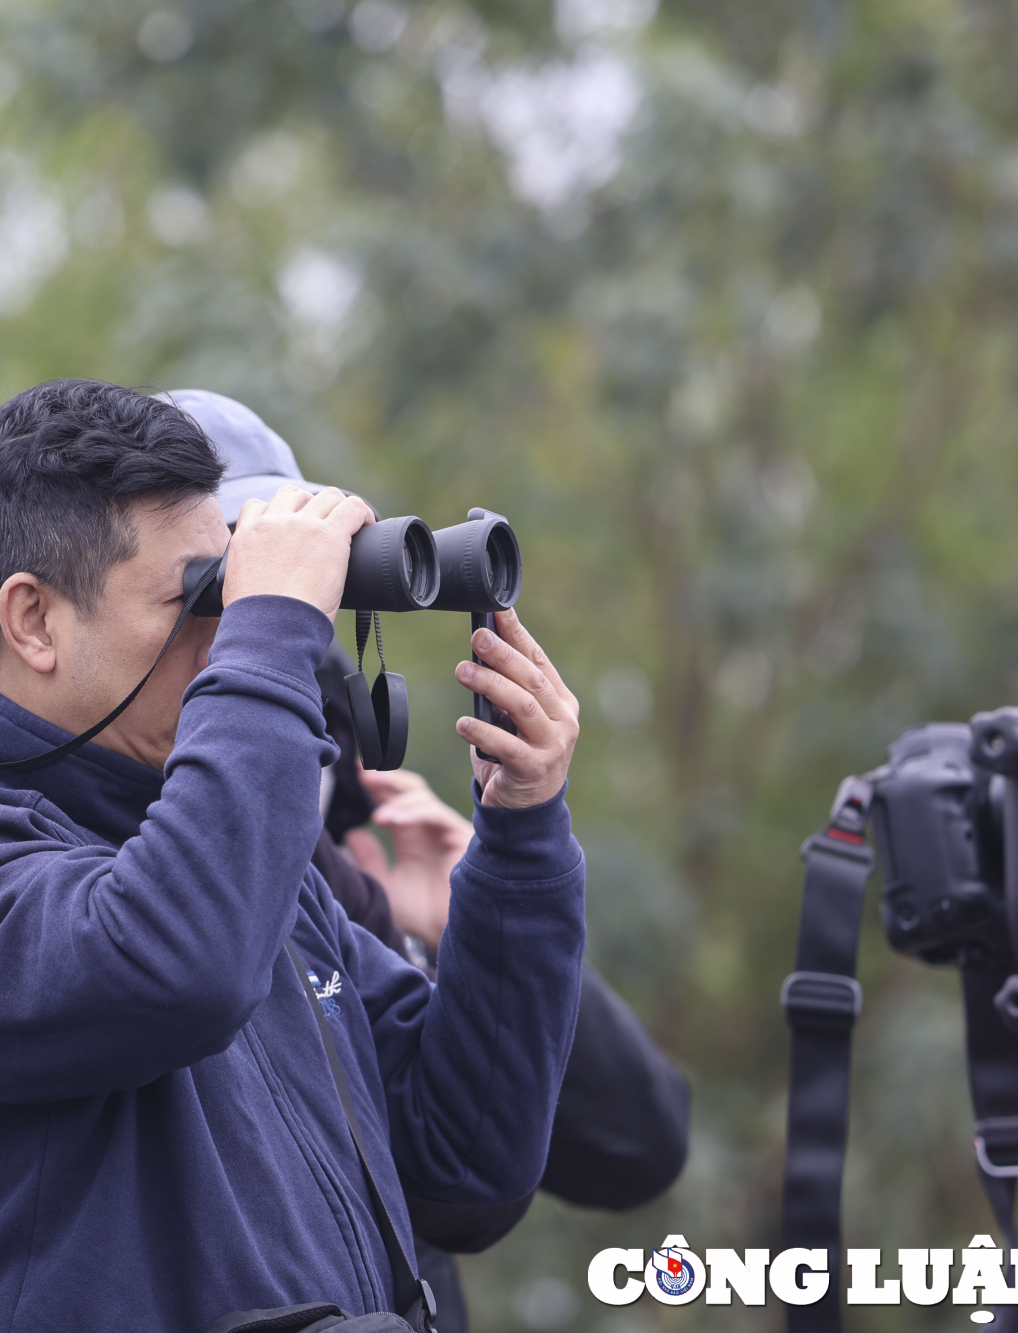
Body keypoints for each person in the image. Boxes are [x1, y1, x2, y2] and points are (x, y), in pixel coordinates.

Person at [0, 378, 588, 1333]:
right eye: (198, 597)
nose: (229, 631)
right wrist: (275, 625)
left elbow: (467, 1165)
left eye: (234, 592)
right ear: (33, 621)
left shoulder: (266, 870)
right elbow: (179, 967)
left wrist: (520, 837)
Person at [166, 389, 691, 1331]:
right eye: (225, 578)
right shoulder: (75, 855)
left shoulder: (347, 827)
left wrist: (471, 920)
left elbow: (633, 1148)